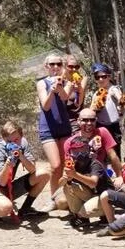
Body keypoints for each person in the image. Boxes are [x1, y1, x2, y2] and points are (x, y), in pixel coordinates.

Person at [0, 121, 50, 222]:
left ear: (21, 136)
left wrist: (21, 156)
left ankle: (26, 209)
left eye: (16, 140)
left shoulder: (23, 143)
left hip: (7, 187)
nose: (13, 143)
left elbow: (32, 169)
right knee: (5, 207)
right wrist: (8, 164)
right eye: (9, 141)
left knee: (44, 174)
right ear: (3, 138)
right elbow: (2, 181)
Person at [35, 53, 74, 212]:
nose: (55, 67)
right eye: (52, 64)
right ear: (47, 66)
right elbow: (45, 106)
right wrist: (52, 90)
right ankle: (52, 198)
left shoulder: (67, 82)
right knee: (55, 165)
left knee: (66, 164)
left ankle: (64, 197)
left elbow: (65, 97)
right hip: (48, 128)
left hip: (64, 127)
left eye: (58, 64)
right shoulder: (41, 83)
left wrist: (59, 87)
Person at [61, 135, 114, 228]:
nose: (79, 154)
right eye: (75, 151)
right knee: (68, 187)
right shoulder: (73, 164)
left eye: (83, 150)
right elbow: (60, 183)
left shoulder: (95, 164)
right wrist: (65, 178)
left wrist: (74, 174)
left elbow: (93, 183)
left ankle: (105, 215)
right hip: (91, 194)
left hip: (105, 197)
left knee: (85, 211)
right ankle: (82, 219)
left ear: (89, 150)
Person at [90, 63, 125, 150]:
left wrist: (121, 104)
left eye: (104, 76)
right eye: (97, 77)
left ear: (109, 77)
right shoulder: (96, 93)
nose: (101, 79)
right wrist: (95, 108)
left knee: (115, 150)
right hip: (100, 125)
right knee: (101, 150)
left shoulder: (113, 89)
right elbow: (91, 110)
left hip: (113, 126)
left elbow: (121, 100)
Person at [63, 55, 87, 125]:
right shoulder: (60, 80)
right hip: (64, 119)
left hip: (78, 120)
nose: (74, 69)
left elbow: (78, 103)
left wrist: (79, 87)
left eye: (77, 67)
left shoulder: (83, 79)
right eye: (70, 66)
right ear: (64, 66)